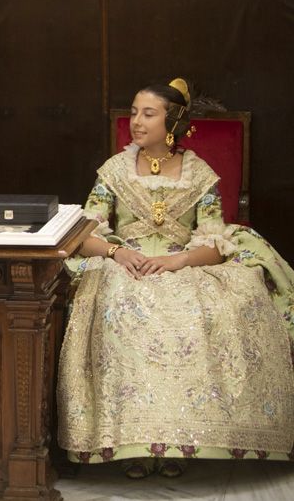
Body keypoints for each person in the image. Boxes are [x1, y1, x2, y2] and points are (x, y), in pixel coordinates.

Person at [57, 78, 294, 478]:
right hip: (123, 262)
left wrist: (178, 261)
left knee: (204, 310)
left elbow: (217, 242)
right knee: (121, 306)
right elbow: (84, 232)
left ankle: (178, 443)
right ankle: (133, 444)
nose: (136, 121)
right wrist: (119, 252)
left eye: (148, 113)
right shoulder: (114, 171)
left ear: (172, 122)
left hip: (184, 263)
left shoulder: (198, 174)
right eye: (133, 112)